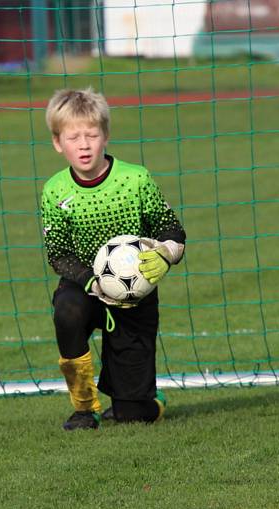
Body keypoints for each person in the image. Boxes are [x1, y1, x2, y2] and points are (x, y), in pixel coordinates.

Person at [40, 88, 186, 431]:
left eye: (91, 135)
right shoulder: (55, 191)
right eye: (73, 137)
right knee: (67, 311)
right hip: (85, 286)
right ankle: (84, 407)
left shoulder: (136, 179)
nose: (84, 144)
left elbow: (173, 232)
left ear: (105, 135)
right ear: (58, 143)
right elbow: (58, 254)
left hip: (135, 297)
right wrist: (93, 281)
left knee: (133, 414)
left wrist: (166, 254)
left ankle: (143, 400)